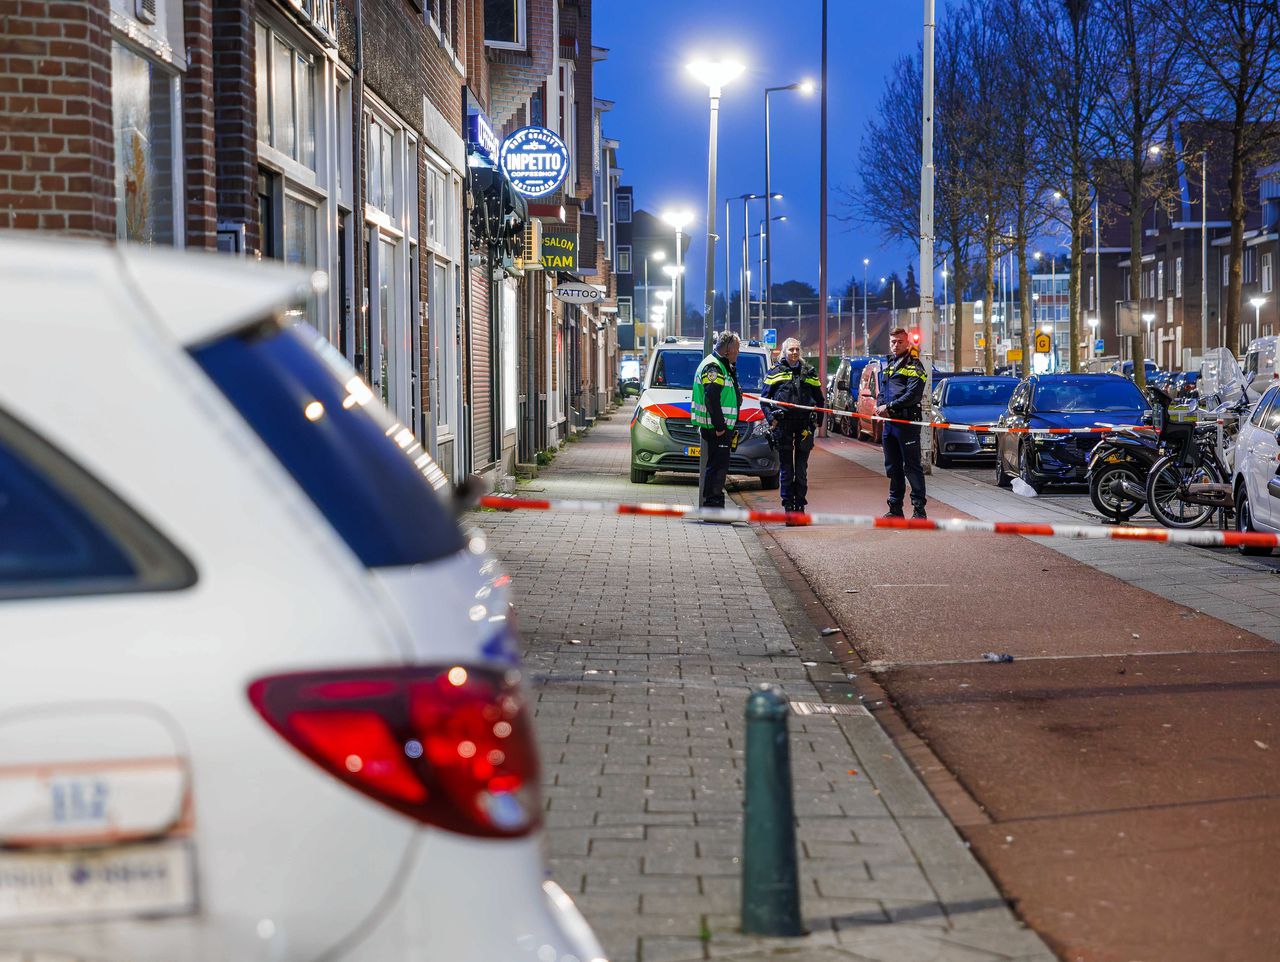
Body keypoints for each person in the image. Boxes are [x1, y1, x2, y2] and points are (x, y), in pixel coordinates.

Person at [762, 338, 824, 515]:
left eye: (797, 349)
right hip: (783, 425)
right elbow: (764, 400)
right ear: (784, 352)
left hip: (804, 425)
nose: (794, 353)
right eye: (791, 350)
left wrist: (818, 422)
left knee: (801, 469)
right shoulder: (774, 372)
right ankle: (788, 507)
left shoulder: (809, 372)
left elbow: (820, 400)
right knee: (786, 469)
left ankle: (800, 506)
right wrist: (770, 419)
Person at [876, 327, 928, 519]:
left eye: (899, 341)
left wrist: (889, 406)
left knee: (912, 467)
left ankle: (919, 510)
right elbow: (882, 392)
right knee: (893, 467)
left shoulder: (915, 366)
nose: (895, 345)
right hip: (889, 424)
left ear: (907, 343)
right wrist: (879, 405)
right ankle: (895, 508)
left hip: (906, 423)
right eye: (893, 342)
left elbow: (913, 395)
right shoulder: (889, 365)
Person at [691, 331, 742, 511]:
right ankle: (713, 506)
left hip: (719, 426)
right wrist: (720, 427)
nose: (738, 353)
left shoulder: (722, 365)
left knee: (718, 466)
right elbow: (711, 397)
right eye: (736, 349)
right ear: (727, 348)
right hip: (716, 427)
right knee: (717, 468)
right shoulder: (714, 367)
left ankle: (714, 504)